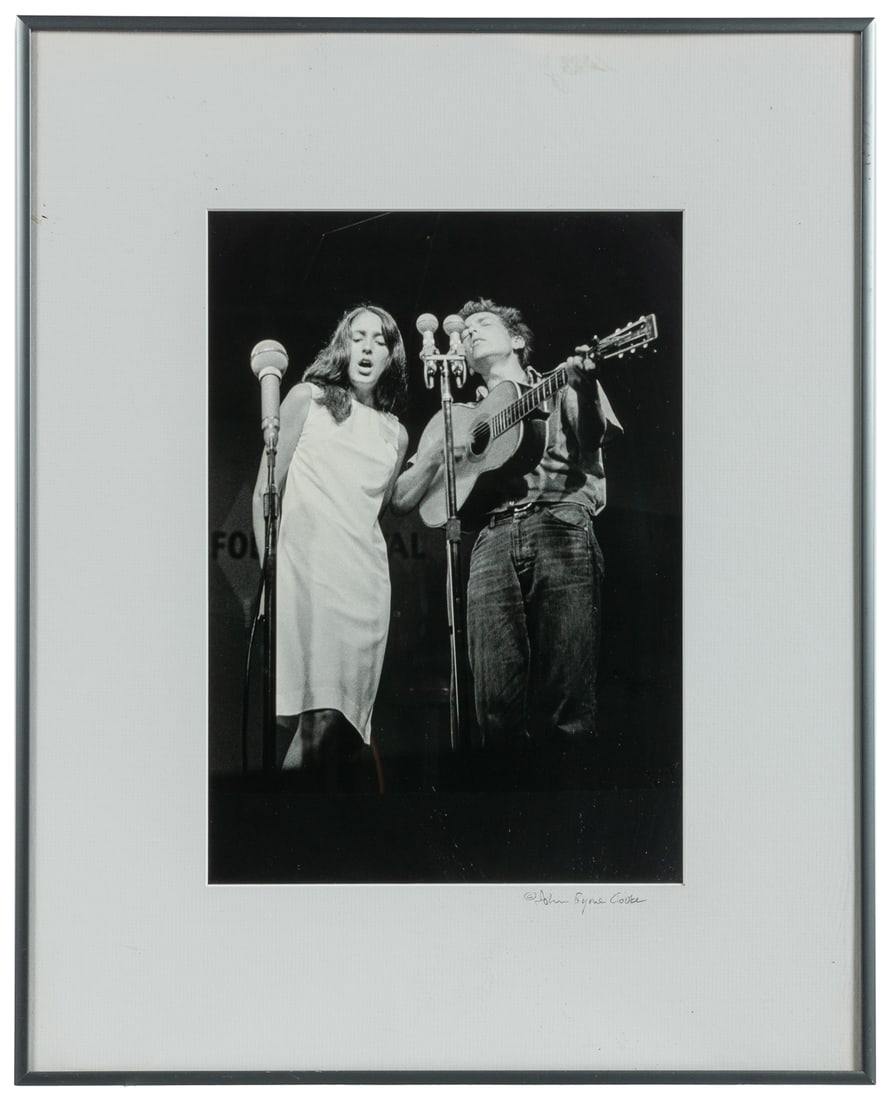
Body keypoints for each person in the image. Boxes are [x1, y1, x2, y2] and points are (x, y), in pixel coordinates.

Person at [392, 298, 622, 790]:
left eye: (484, 323)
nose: (471, 331)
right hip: (491, 539)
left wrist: (583, 385)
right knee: (494, 709)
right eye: (466, 329)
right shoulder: (458, 416)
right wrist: (437, 455)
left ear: (517, 340)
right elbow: (404, 499)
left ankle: (567, 828)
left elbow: (593, 436)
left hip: (559, 523)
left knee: (567, 704)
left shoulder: (560, 379)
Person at [253, 305, 409, 792]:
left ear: (391, 356)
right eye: (357, 336)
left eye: (379, 340)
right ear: (342, 345)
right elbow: (264, 495)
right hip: (308, 578)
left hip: (365, 586)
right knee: (318, 720)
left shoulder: (396, 433)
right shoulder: (307, 398)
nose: (367, 347)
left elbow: (379, 510)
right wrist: (269, 581)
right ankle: (278, 829)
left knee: (342, 733)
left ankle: (291, 828)